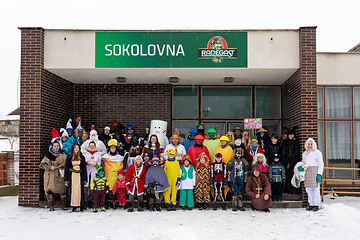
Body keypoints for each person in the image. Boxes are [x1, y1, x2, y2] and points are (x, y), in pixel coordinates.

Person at [39, 141, 67, 211]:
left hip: (60, 175)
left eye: (57, 146)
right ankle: (51, 206)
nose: (56, 147)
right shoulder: (49, 155)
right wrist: (50, 167)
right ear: (52, 147)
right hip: (50, 175)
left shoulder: (63, 156)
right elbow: (43, 164)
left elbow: (67, 164)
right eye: (55, 146)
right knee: (50, 190)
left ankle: (64, 205)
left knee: (63, 190)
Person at [299, 138, 324, 212]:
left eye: (311, 144)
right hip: (307, 171)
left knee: (315, 189)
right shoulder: (305, 153)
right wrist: (302, 167)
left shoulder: (317, 153)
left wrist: (319, 174)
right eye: (308, 144)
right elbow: (304, 162)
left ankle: (316, 204)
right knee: (308, 189)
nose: (310, 145)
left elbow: (321, 163)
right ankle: (311, 204)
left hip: (315, 171)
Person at [64, 143, 87, 212]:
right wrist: (66, 180)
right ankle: (74, 205)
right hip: (72, 176)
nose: (76, 149)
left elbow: (84, 169)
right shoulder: (69, 158)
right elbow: (66, 169)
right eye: (75, 148)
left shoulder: (82, 157)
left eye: (77, 148)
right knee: (73, 191)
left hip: (79, 176)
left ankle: (81, 205)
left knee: (80, 191)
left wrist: (85, 179)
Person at [101, 139, 124, 207]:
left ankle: (114, 203)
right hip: (107, 177)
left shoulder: (120, 158)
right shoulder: (105, 157)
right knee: (107, 190)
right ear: (109, 148)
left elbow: (121, 167)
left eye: (114, 147)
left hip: (116, 177)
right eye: (111, 147)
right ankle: (105, 203)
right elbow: (101, 166)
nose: (113, 149)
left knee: (116, 190)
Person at [227, 147, 249, 211]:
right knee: (234, 192)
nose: (238, 155)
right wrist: (228, 180)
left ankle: (240, 205)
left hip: (241, 179)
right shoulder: (231, 161)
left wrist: (245, 180)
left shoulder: (244, 161)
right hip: (233, 179)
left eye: (240, 154)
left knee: (240, 192)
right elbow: (228, 171)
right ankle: (234, 205)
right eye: (237, 154)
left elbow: (246, 172)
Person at [83, 141, 102, 209]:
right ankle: (85, 201)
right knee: (86, 188)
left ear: (95, 147)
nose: (91, 147)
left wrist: (97, 164)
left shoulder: (98, 154)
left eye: (93, 146)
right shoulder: (85, 154)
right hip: (88, 171)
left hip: (94, 171)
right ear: (88, 147)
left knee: (92, 187)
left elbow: (99, 163)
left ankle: (90, 201)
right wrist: (86, 163)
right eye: (90, 146)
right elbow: (83, 162)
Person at [282, 127, 300, 194]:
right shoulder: (286, 142)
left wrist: (292, 156)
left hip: (293, 161)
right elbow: (284, 151)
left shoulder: (296, 142)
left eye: (292, 135)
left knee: (293, 174)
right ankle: (287, 189)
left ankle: (293, 189)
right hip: (287, 161)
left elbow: (296, 151)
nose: (290, 136)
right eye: (289, 135)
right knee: (287, 175)